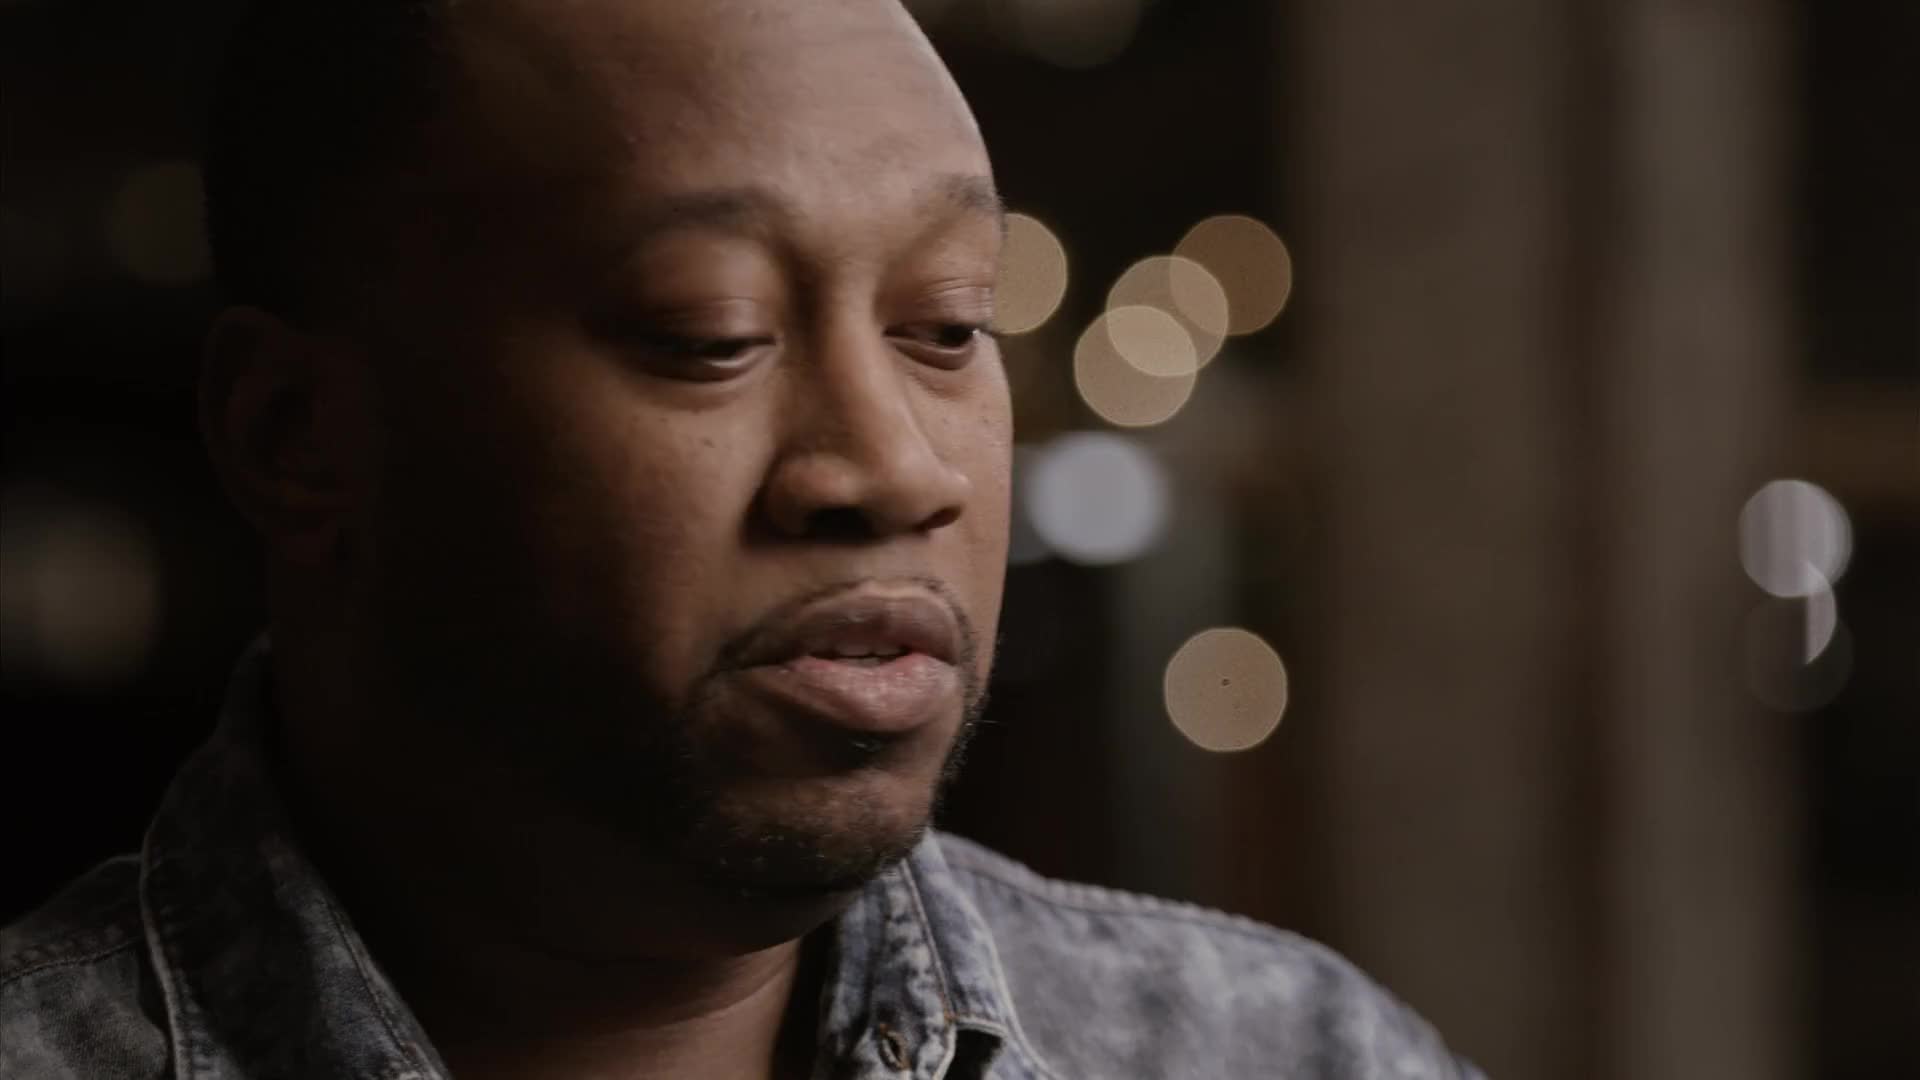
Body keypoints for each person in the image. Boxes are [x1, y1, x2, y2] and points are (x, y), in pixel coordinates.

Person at [0, 1, 1482, 1076]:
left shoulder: (1287, 1053)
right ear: (295, 438)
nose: (893, 470)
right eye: (711, 334)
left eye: (948, 325)